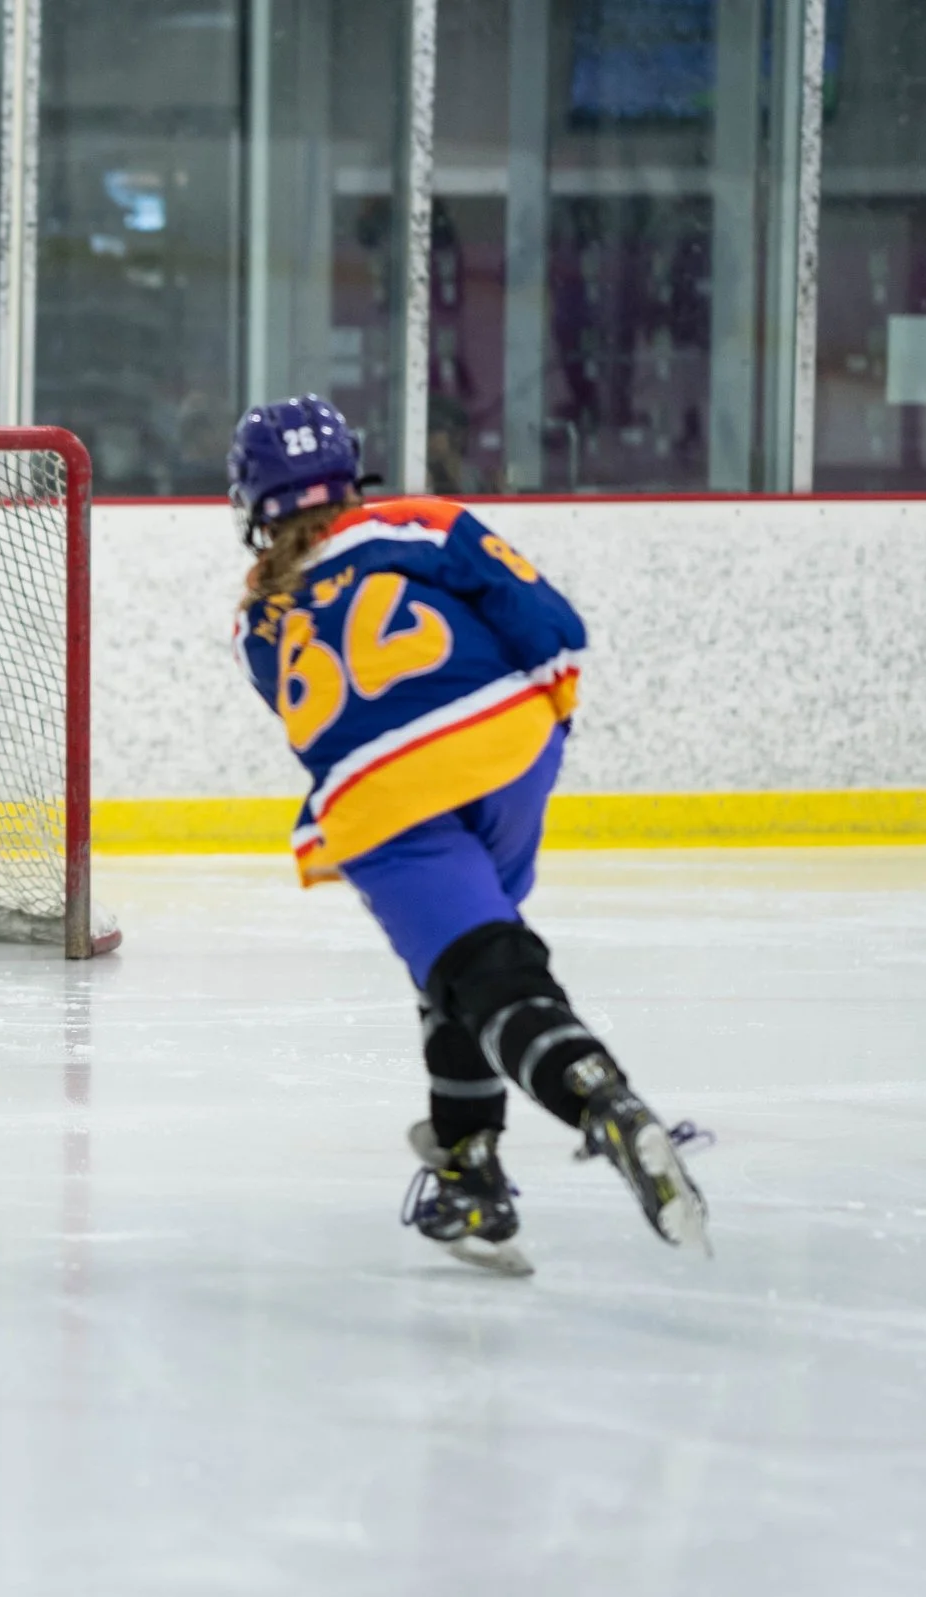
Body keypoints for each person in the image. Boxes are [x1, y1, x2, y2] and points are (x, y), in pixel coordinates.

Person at [225, 395, 707, 1275]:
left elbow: (313, 724)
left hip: (385, 794)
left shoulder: (257, 614)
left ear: (252, 504)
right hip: (511, 744)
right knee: (461, 964)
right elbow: (550, 625)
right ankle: (467, 1165)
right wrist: (545, 724)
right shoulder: (421, 521)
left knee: (482, 974)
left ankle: (602, 1100)